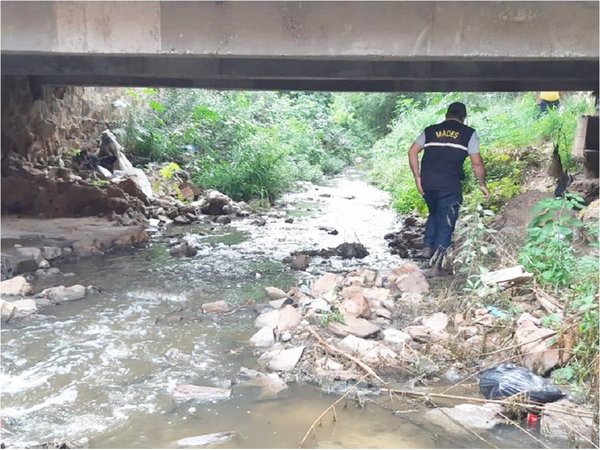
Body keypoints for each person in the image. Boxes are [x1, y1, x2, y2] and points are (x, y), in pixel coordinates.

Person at [408, 102, 489, 271]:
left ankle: (427, 248)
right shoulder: (469, 134)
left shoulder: (430, 130)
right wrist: (482, 184)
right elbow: (477, 163)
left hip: (428, 183)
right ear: (464, 117)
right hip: (450, 185)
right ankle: (437, 264)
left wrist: (417, 177)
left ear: (446, 115)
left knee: (434, 213)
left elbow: (412, 151)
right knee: (446, 221)